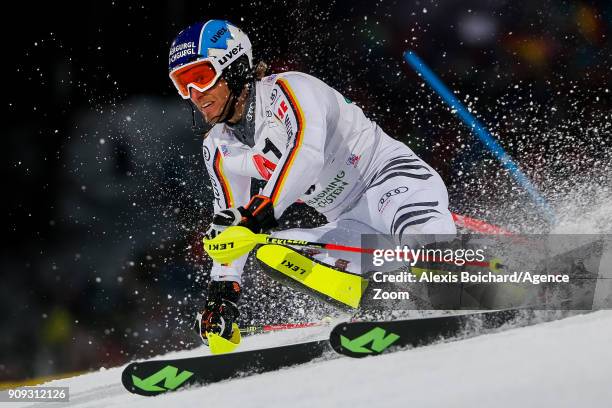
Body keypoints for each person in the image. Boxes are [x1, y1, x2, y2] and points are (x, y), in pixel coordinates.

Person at [168, 19, 457, 344]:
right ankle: (390, 301)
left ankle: (462, 278)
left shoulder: (290, 90)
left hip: (392, 182)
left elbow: (305, 153)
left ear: (234, 67)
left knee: (419, 236)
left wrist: (258, 213)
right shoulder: (217, 147)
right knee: (271, 252)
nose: (194, 95)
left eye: (201, 78)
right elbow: (229, 225)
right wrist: (222, 296)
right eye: (183, 84)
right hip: (351, 224)